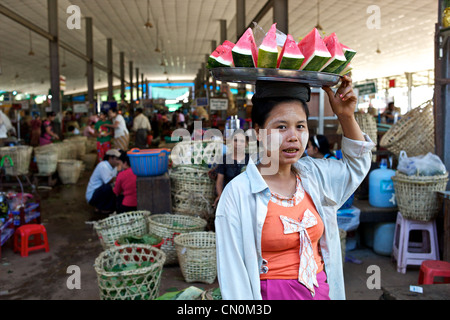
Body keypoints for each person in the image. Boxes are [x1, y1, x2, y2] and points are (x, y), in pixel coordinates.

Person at [214, 75, 375, 300]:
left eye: (300, 126)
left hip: (319, 292)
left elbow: (357, 165)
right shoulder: (237, 194)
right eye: (281, 127)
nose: (293, 137)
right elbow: (233, 279)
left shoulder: (316, 177)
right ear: (258, 132)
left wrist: (345, 116)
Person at [213, 131, 249, 208]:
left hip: (246, 197)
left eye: (242, 141)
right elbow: (219, 181)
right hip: (229, 196)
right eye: (235, 140)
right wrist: (220, 196)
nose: (238, 143)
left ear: (246, 144)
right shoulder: (225, 159)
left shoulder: (251, 160)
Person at [85, 149, 122, 214]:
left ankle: (102, 207)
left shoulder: (114, 167)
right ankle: (101, 207)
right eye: (117, 159)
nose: (118, 162)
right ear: (110, 158)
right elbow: (108, 181)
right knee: (108, 187)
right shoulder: (103, 166)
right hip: (93, 195)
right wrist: (120, 176)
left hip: (99, 192)